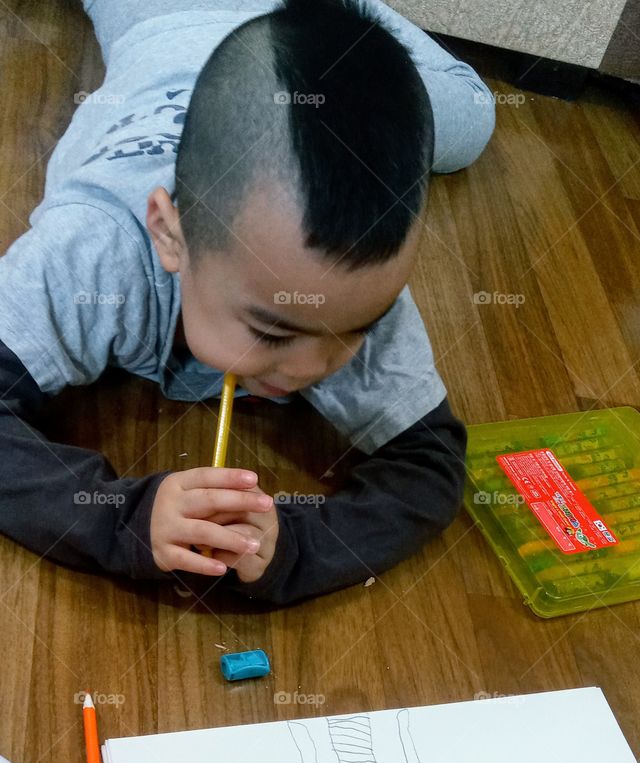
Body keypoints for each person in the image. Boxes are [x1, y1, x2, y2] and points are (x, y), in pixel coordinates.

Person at [0, 0, 495, 604]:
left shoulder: (351, 288)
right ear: (170, 236)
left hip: (291, 46)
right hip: (165, 23)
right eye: (273, 331)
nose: (313, 367)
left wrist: (296, 550)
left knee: (473, 115)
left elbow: (431, 463)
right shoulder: (95, 249)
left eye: (358, 328)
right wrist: (123, 520)